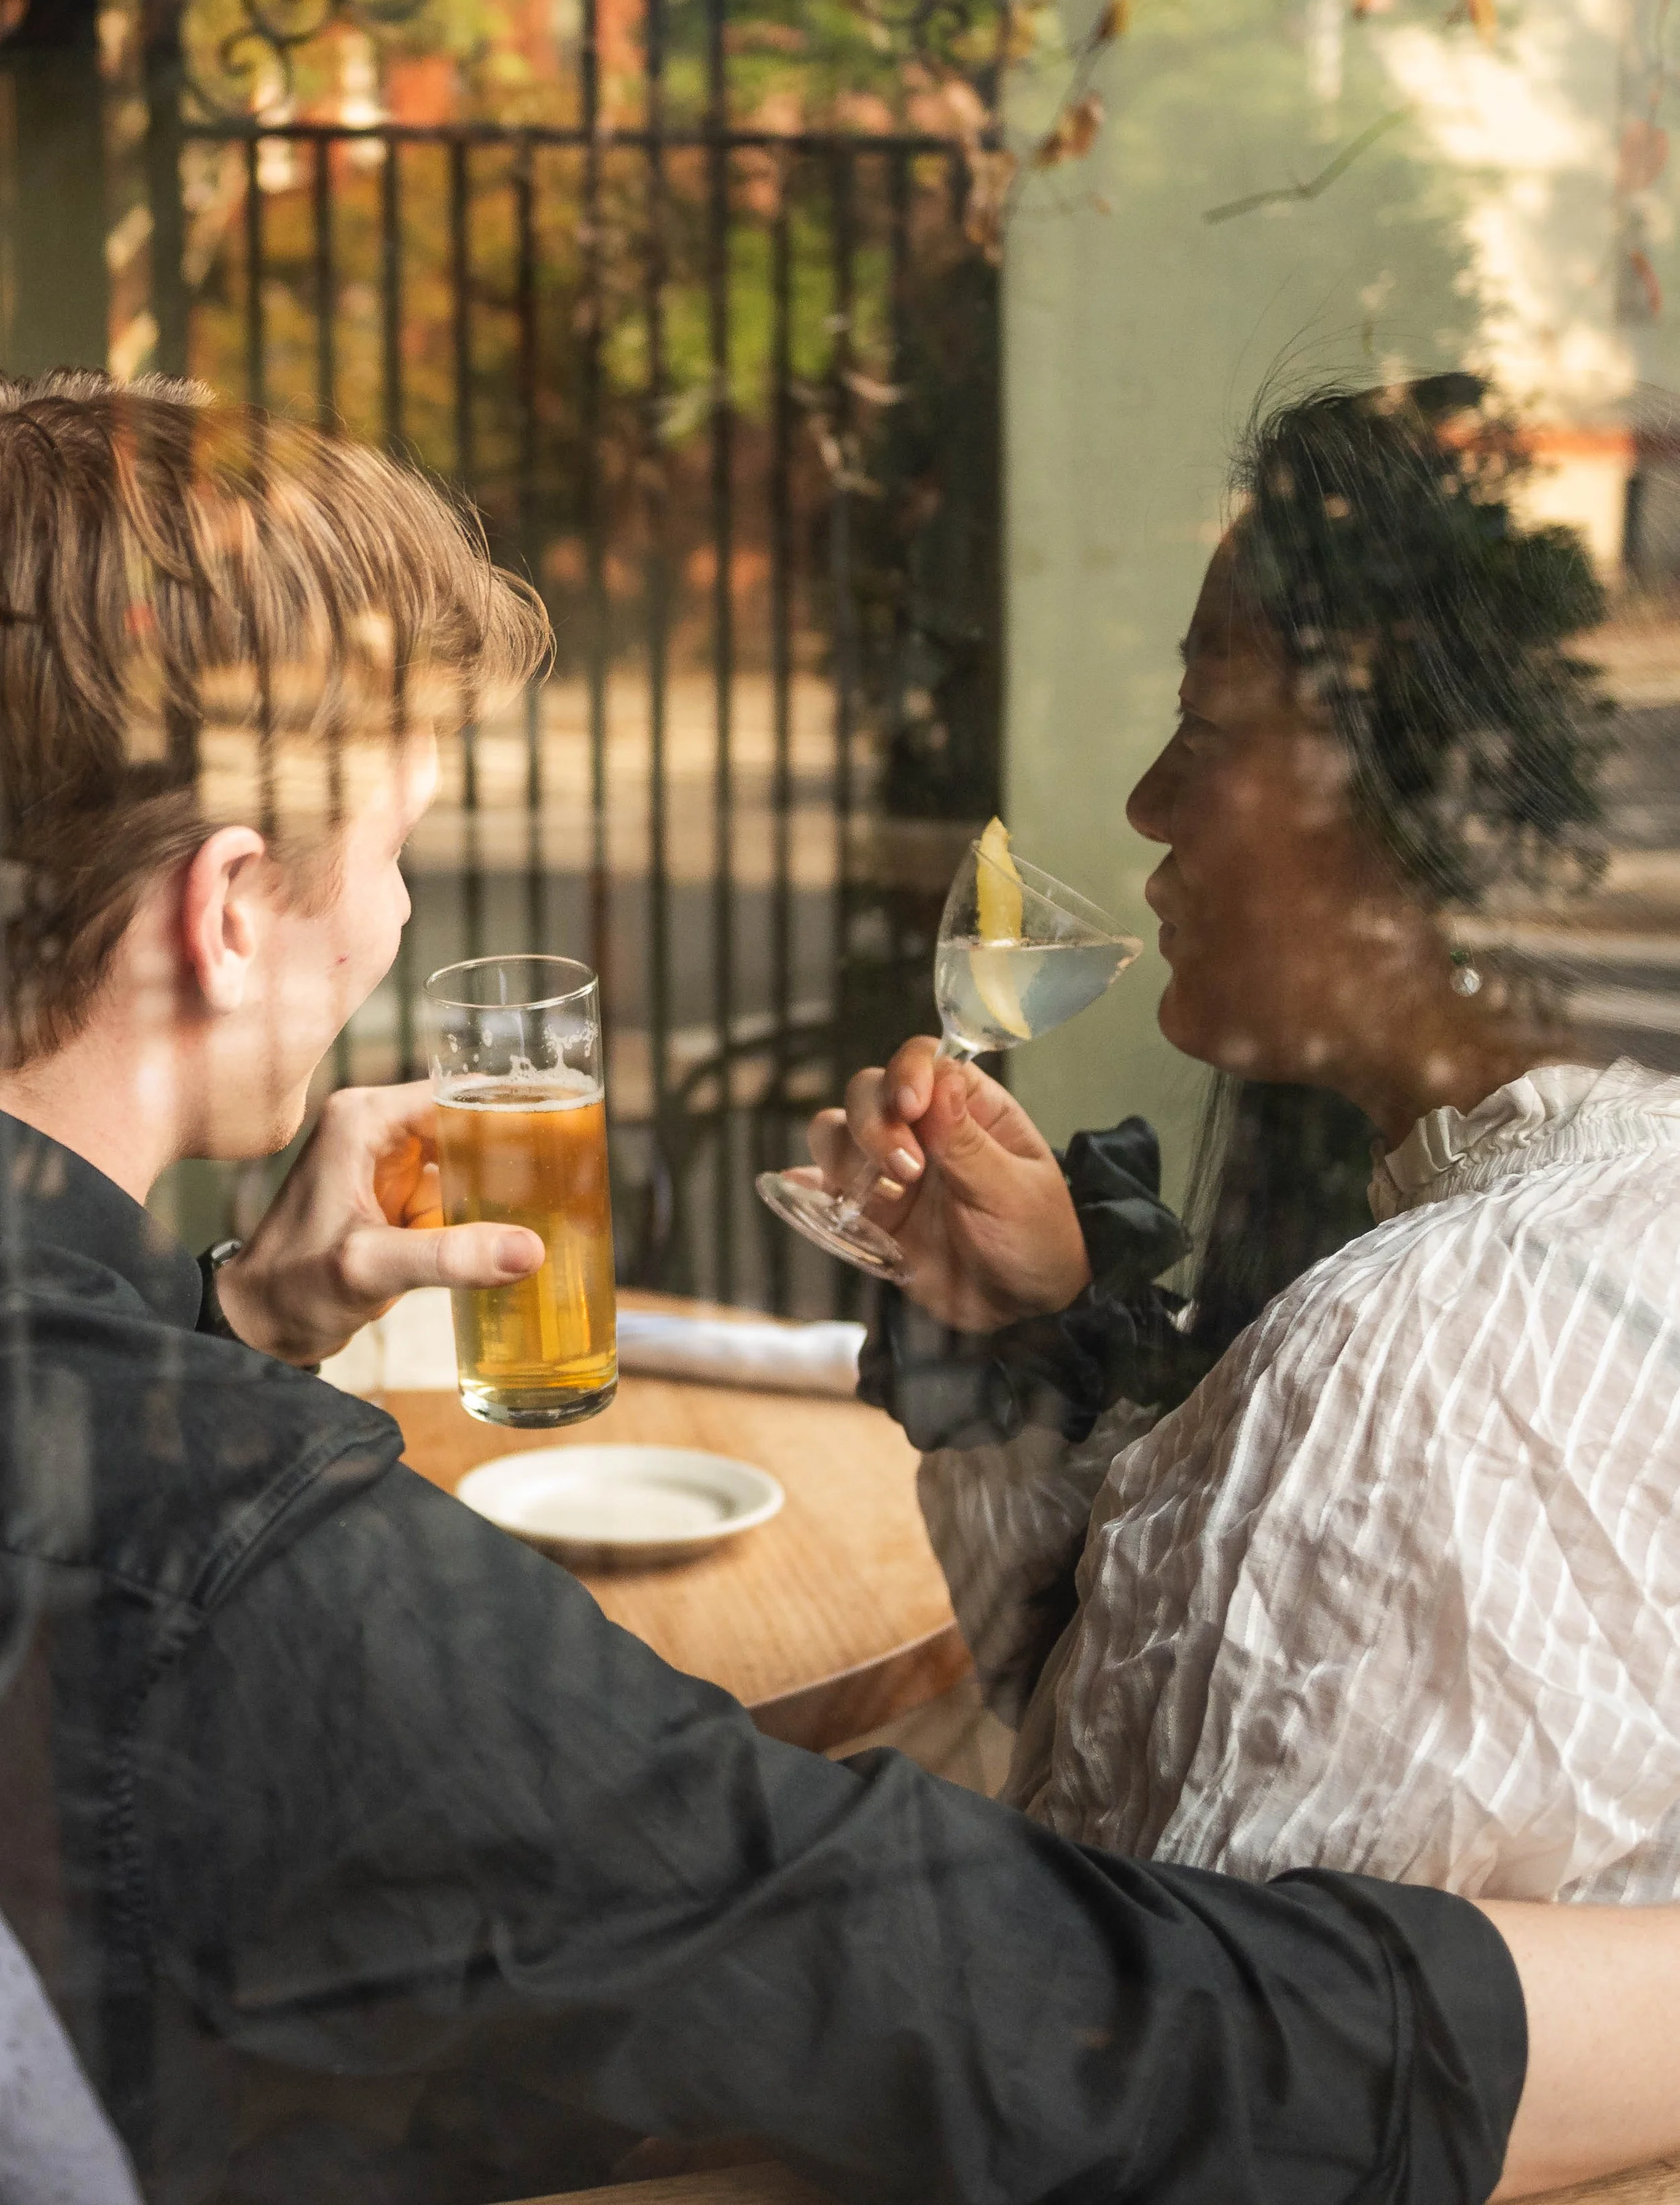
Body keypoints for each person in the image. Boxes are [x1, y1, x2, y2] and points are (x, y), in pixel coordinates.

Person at [0, 369, 1672, 2205]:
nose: (395, 918)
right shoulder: (226, 1543)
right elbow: (1052, 2026)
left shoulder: (122, 1421)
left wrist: (230, 1329)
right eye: (397, 848)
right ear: (229, 906)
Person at [808, 376, 1680, 1909]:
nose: (1146, 801)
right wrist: (1026, 1319)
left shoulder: (1414, 1363)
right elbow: (1144, 1708)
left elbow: (1175, 2030)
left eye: (1205, 731)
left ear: (1417, 832)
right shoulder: (1563, 1214)